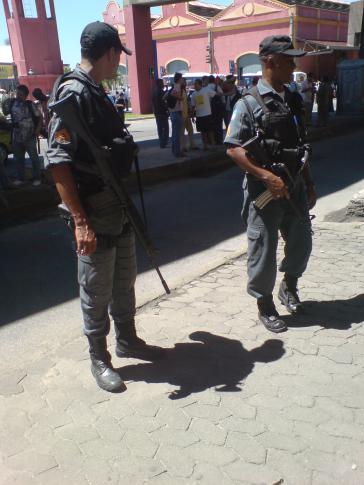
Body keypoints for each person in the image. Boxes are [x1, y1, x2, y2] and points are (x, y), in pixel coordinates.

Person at [45, 21, 163, 393]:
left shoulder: (95, 91)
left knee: (124, 278)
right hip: (94, 210)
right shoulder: (73, 93)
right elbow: (58, 162)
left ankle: (127, 339)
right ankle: (99, 357)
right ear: (111, 53)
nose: (118, 64)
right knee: (96, 289)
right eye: (118, 57)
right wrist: (80, 221)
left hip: (118, 204)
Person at [226, 35, 316, 333]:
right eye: (288, 60)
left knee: (302, 241)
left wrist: (309, 183)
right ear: (269, 62)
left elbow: (300, 145)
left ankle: (288, 286)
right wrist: (265, 175)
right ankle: (265, 303)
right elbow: (233, 148)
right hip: (264, 191)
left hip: (295, 184)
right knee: (263, 250)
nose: (293, 65)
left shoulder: (292, 99)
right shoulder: (248, 103)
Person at [8, 85, 43, 186]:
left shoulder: (30, 105)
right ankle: (20, 178)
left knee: (34, 158)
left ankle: (37, 178)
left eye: (20, 94)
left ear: (25, 95)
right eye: (17, 93)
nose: (18, 96)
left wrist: (38, 129)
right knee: (18, 159)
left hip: (29, 137)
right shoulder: (12, 104)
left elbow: (40, 117)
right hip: (16, 137)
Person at [190, 78, 215, 150]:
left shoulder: (206, 90)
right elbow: (193, 106)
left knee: (210, 131)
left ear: (200, 84)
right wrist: (192, 116)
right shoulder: (194, 94)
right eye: (194, 84)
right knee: (203, 132)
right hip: (199, 115)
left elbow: (214, 94)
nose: (194, 85)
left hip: (207, 114)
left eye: (196, 84)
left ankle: (213, 145)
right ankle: (205, 145)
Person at [167, 72, 184, 157]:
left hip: (173, 111)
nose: (183, 80)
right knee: (177, 133)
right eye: (182, 78)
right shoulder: (177, 86)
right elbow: (172, 94)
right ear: (179, 79)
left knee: (175, 132)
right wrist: (180, 98)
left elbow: (167, 95)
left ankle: (175, 151)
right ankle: (177, 152)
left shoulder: (174, 86)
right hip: (176, 111)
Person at [180, 77, 198, 152]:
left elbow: (187, 102)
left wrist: (190, 112)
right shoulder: (180, 90)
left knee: (190, 130)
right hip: (182, 114)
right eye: (184, 81)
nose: (186, 83)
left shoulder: (184, 90)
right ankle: (183, 147)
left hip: (186, 114)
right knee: (182, 132)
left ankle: (192, 145)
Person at [151, 78, 169, 148]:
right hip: (162, 112)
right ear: (159, 84)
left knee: (160, 128)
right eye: (162, 83)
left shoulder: (154, 91)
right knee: (165, 128)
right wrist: (166, 109)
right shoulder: (160, 91)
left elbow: (152, 102)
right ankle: (164, 142)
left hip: (157, 112)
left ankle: (162, 143)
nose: (163, 84)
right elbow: (164, 101)